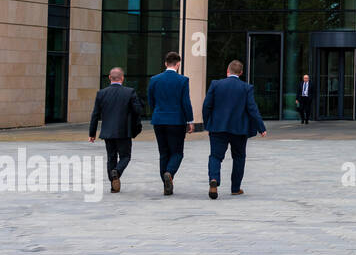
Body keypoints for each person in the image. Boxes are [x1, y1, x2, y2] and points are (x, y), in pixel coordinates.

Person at [201, 60, 268, 199]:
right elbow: (252, 109)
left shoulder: (216, 84)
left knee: (215, 156)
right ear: (241, 73)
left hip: (218, 128)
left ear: (227, 70)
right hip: (239, 129)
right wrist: (261, 127)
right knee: (239, 157)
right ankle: (235, 188)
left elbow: (207, 105)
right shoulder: (246, 88)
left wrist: (208, 123)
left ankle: (214, 179)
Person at [88, 67, 144, 194]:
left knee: (111, 157)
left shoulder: (101, 93)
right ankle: (117, 172)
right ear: (122, 78)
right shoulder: (129, 92)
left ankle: (113, 184)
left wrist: (92, 133)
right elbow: (138, 110)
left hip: (108, 132)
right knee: (125, 156)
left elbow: (95, 115)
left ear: (109, 78)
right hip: (124, 131)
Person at [147, 51, 193, 196]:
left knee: (163, 152)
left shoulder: (154, 79)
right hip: (176, 121)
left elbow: (151, 100)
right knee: (177, 152)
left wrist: (157, 112)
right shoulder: (183, 80)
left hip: (159, 119)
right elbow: (186, 102)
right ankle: (169, 173)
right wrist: (190, 120)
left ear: (165, 63)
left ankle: (166, 182)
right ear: (178, 64)